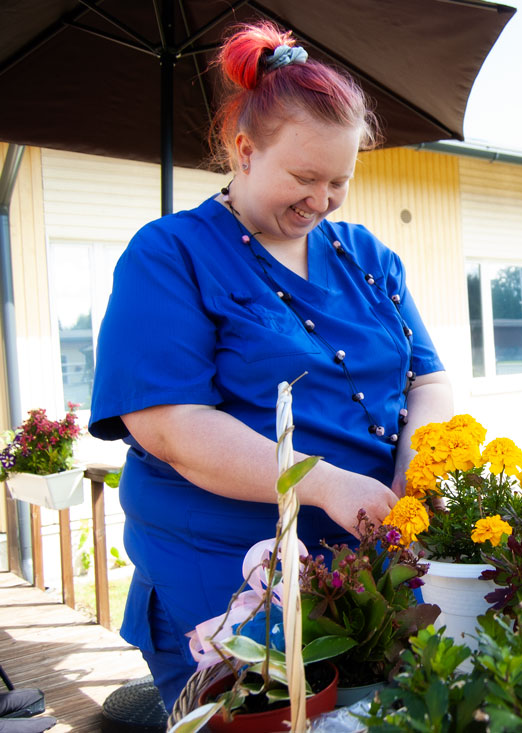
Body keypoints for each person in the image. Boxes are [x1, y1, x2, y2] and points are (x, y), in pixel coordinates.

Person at [89, 21, 452, 710]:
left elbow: (429, 379)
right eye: (305, 177)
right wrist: (324, 483)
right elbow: (170, 426)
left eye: (340, 180)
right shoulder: (169, 255)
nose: (321, 200)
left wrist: (419, 465)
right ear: (244, 151)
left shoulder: (367, 255)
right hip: (230, 587)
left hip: (374, 578)